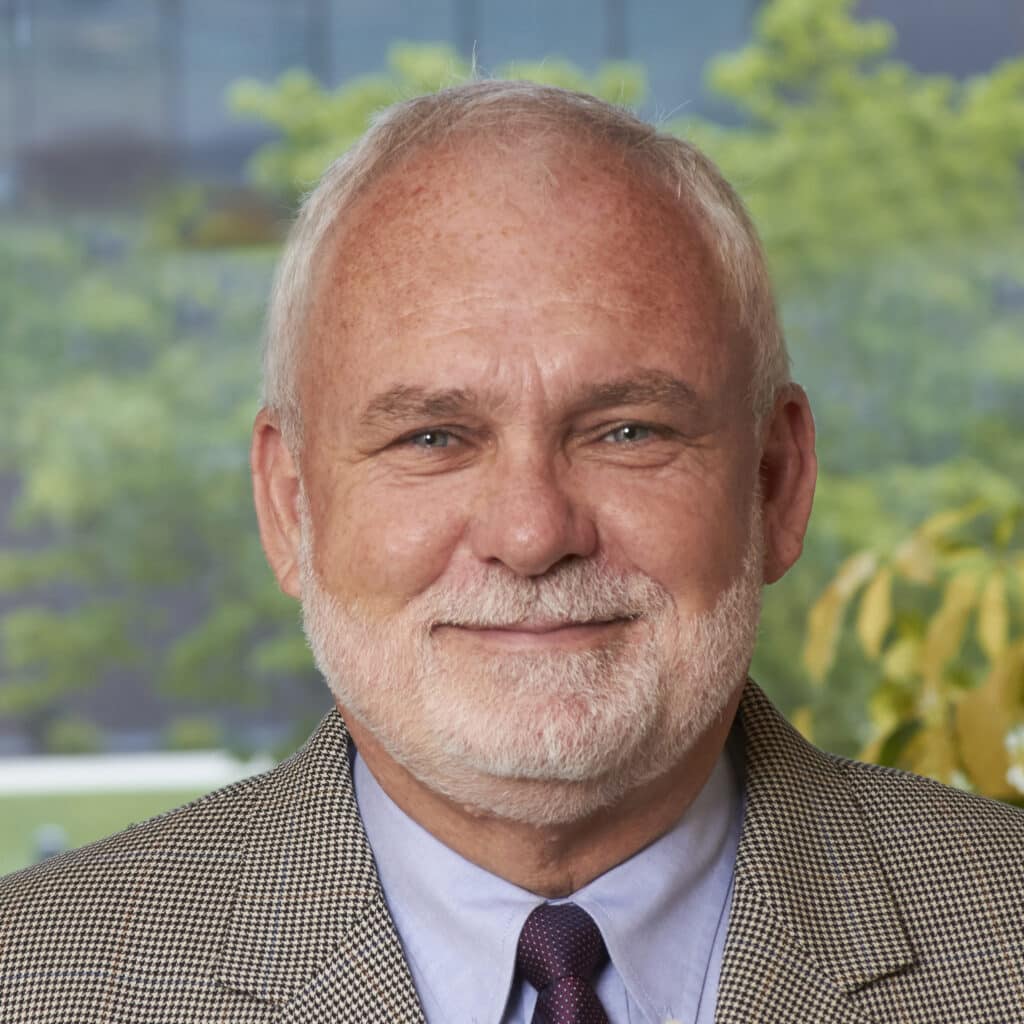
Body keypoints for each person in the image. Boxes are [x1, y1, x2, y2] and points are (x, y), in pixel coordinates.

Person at [1, 81, 1022, 1024]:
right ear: (289, 506)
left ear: (774, 481)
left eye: (628, 430)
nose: (532, 534)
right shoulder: (35, 976)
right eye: (432, 438)